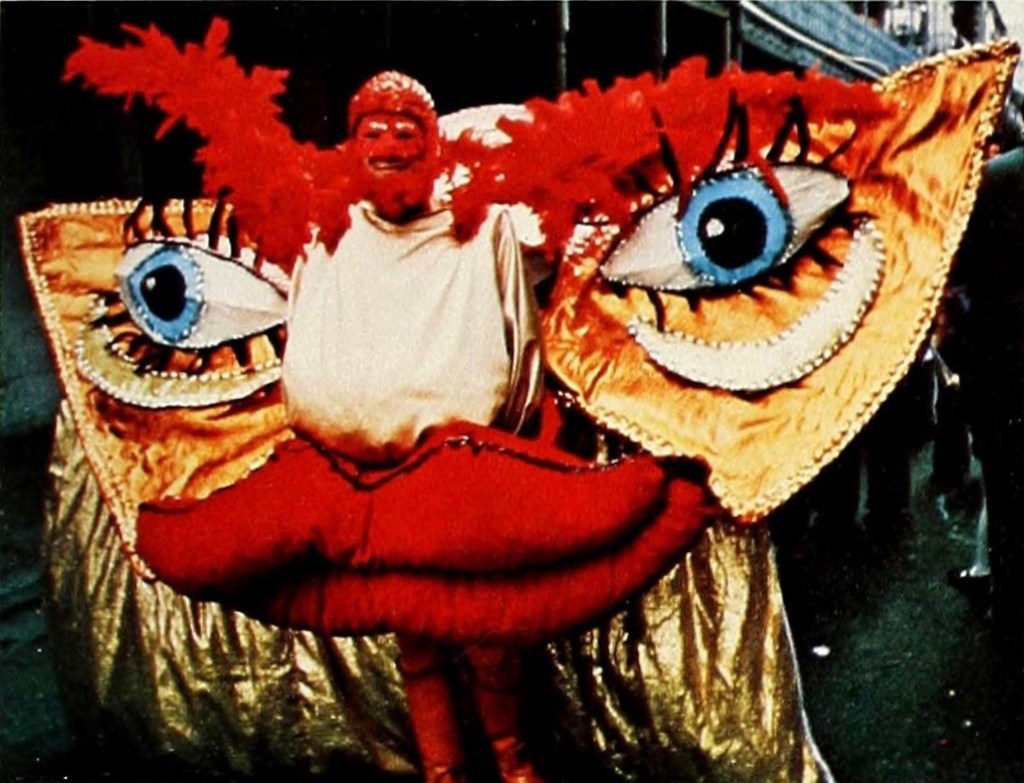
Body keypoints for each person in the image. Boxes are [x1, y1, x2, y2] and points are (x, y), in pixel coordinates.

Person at [281, 71, 546, 783]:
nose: (391, 143)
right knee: (418, 634)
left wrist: (502, 444)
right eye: (374, 130)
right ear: (351, 145)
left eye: (406, 130)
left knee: (486, 623)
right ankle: (443, 772)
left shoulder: (481, 226)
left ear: (430, 145)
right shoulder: (329, 233)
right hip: (370, 473)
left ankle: (512, 760)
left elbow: (521, 339)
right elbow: (301, 326)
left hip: (461, 463)